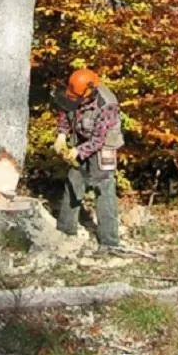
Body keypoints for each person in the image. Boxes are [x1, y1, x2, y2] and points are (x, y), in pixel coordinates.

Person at [52, 68, 124, 248]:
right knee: (73, 180)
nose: (75, 100)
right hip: (82, 139)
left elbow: (98, 139)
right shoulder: (74, 92)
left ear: (90, 90)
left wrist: (78, 152)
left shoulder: (107, 105)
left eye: (79, 97)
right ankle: (65, 230)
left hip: (104, 145)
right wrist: (61, 134)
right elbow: (66, 112)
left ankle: (109, 242)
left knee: (103, 189)